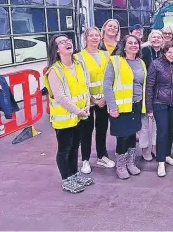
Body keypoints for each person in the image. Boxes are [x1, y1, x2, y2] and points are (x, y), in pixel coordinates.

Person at [44, 34, 94, 193]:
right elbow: (60, 97)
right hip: (65, 118)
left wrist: (86, 106)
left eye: (68, 40)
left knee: (74, 147)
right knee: (65, 149)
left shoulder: (79, 64)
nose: (67, 43)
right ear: (56, 49)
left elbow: (86, 87)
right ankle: (66, 179)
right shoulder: (55, 70)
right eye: (62, 42)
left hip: (79, 116)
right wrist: (78, 111)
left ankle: (74, 174)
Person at [103, 35, 146, 180]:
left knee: (133, 134)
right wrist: (112, 107)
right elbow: (107, 86)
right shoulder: (115, 61)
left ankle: (131, 162)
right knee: (122, 136)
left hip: (136, 104)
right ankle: (120, 166)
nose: (133, 45)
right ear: (124, 45)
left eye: (136, 43)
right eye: (130, 43)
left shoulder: (141, 62)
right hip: (121, 107)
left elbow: (142, 84)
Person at [75, 27, 115, 174]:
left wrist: (104, 97)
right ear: (85, 38)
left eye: (97, 35)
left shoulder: (106, 55)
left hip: (103, 99)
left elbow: (109, 77)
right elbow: (78, 81)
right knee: (86, 130)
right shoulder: (79, 57)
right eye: (91, 35)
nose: (94, 38)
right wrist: (91, 99)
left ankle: (102, 155)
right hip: (87, 101)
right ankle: (85, 159)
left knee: (102, 129)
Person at [145, 41, 173, 177]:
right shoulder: (156, 64)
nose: (172, 55)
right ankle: (161, 162)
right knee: (162, 131)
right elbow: (149, 86)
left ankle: (166, 155)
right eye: (169, 52)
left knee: (171, 131)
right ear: (164, 52)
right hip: (159, 102)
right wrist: (149, 108)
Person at [139, 30, 164, 160]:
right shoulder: (144, 51)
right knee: (143, 121)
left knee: (157, 121)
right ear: (149, 39)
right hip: (144, 89)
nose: (156, 39)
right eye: (153, 37)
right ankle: (144, 148)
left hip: (159, 91)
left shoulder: (165, 52)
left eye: (159, 37)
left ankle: (155, 146)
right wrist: (143, 45)